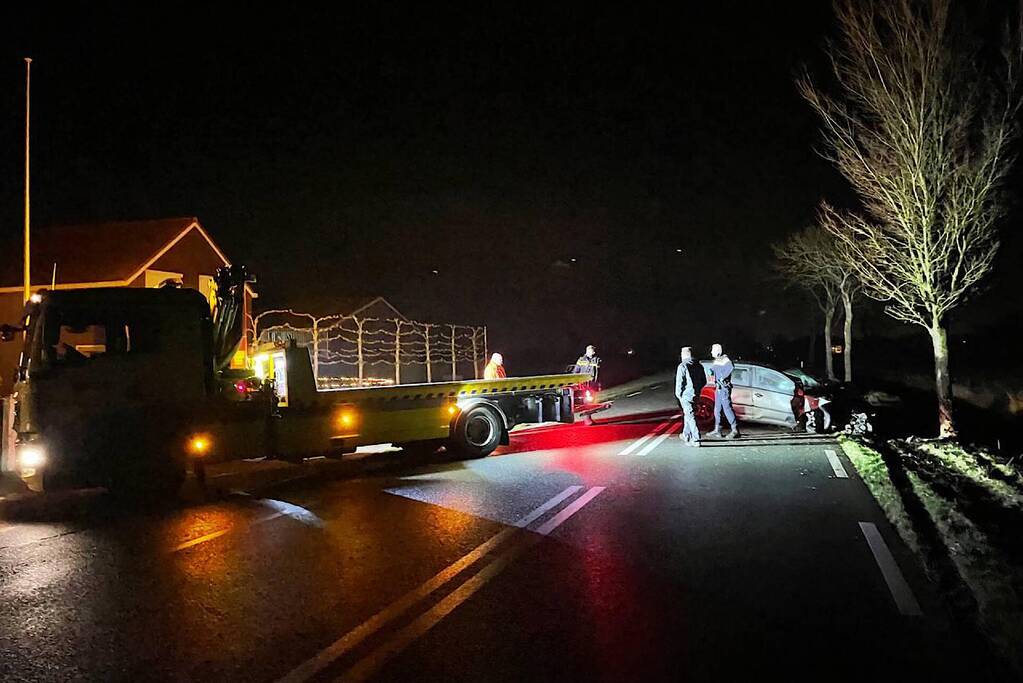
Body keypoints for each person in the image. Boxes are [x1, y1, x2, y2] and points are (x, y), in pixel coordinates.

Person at [674, 346, 705, 446]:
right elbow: (704, 381)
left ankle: (696, 439)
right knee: (688, 414)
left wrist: (679, 395)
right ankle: (685, 434)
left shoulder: (682, 366)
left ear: (684, 355)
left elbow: (679, 383)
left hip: (686, 396)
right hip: (696, 394)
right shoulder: (698, 365)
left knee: (690, 416)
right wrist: (698, 390)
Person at [708, 343, 740, 439]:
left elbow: (730, 368)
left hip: (724, 388)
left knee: (727, 408)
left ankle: (735, 430)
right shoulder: (717, 360)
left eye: (713, 350)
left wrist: (723, 377)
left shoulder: (725, 359)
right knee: (717, 409)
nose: (711, 352)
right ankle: (717, 430)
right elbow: (713, 369)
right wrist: (711, 371)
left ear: (718, 351)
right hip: (718, 387)